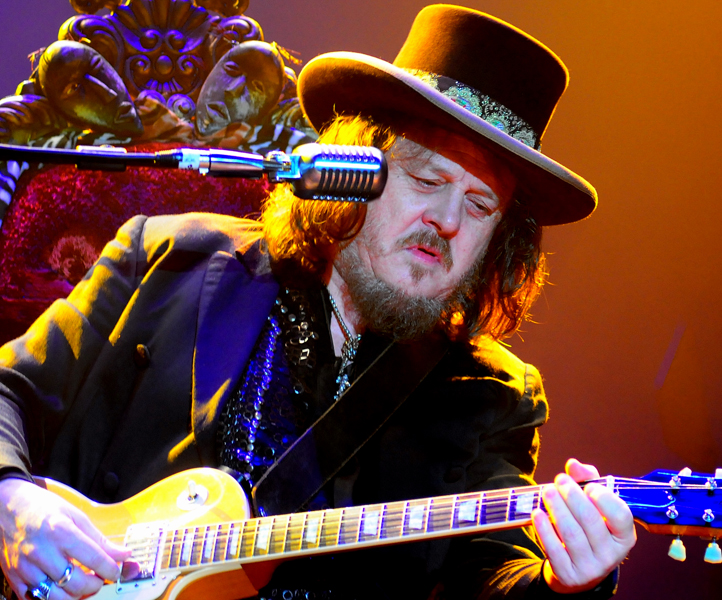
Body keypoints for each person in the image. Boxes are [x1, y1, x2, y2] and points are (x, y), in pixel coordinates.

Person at [0, 5, 636, 600]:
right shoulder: (171, 256)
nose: (446, 220)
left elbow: (491, 578)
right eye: (426, 178)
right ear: (353, 168)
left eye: (479, 205)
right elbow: (10, 388)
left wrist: (566, 583)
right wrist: (11, 502)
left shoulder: (492, 394)